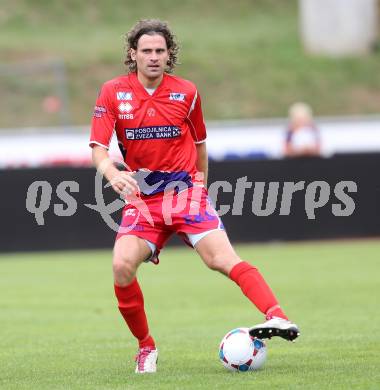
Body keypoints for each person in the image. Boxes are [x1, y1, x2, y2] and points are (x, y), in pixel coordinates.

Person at [89, 19, 299, 374]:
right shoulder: (113, 92)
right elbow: (97, 147)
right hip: (145, 201)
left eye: (160, 51)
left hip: (186, 195)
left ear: (169, 55)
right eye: (147, 51)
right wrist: (112, 172)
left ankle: (278, 317)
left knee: (222, 259)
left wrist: (200, 185)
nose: (154, 57)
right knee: (122, 266)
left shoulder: (186, 91)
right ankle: (146, 347)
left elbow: (200, 144)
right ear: (133, 54)